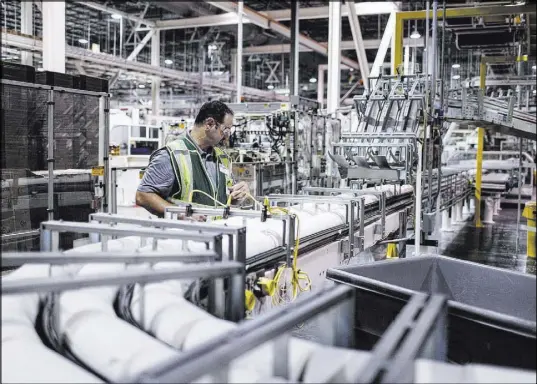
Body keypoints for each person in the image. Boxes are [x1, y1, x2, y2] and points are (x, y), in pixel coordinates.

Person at [136, 101, 249, 219]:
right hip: (186, 234)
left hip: (218, 232)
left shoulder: (222, 157)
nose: (227, 136)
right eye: (225, 130)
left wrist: (238, 194)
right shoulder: (172, 155)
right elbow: (143, 196)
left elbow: (225, 199)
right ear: (209, 124)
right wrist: (181, 214)